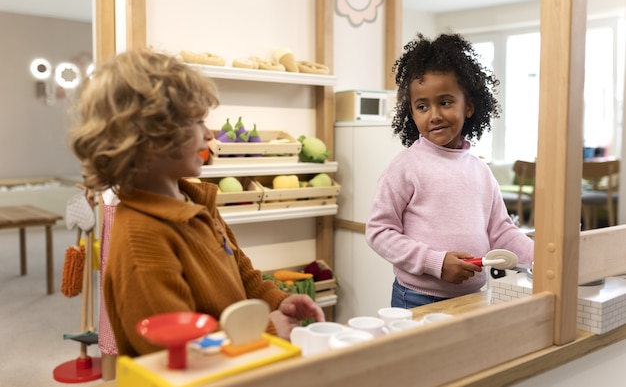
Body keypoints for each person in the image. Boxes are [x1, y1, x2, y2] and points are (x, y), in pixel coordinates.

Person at [68, 48, 325, 357]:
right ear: (151, 137)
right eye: (197, 122)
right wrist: (264, 332)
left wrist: (274, 298)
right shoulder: (141, 239)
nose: (208, 134)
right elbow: (172, 349)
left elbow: (240, 271)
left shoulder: (194, 201)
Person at [366, 32, 533, 309]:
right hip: (417, 299)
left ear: (468, 106)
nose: (434, 115)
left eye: (445, 102)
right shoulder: (405, 167)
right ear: (412, 112)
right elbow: (379, 232)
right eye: (422, 106)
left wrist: (544, 257)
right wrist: (437, 263)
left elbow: (502, 232)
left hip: (473, 297)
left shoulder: (481, 171)